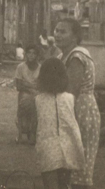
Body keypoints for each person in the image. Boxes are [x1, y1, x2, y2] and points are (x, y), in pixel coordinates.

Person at [53, 18, 101, 188]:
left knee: (79, 164)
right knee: (67, 162)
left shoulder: (77, 56)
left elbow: (70, 91)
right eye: (56, 30)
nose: (57, 34)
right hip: (70, 108)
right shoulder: (62, 56)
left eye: (63, 31)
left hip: (81, 110)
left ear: (75, 37)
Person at [35, 58, 85, 189]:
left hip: (48, 149)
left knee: (50, 185)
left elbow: (36, 125)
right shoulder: (70, 98)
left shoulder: (38, 100)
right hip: (67, 148)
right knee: (64, 184)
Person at [14, 44, 41, 143]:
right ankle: (21, 133)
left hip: (36, 94)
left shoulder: (40, 68)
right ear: (26, 54)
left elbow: (40, 86)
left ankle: (32, 132)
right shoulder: (21, 67)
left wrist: (27, 85)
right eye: (29, 53)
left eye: (34, 53)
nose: (31, 55)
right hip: (25, 93)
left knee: (36, 102)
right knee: (26, 100)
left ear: (37, 55)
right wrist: (31, 88)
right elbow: (18, 86)